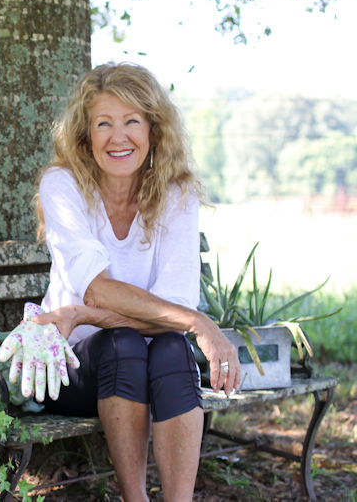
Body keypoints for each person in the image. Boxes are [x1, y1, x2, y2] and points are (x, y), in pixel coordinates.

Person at [30, 62, 242, 501]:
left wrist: (79, 314)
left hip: (151, 364)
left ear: (153, 129)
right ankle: (135, 498)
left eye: (131, 121)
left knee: (170, 347)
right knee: (125, 342)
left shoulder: (177, 193)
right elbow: (97, 287)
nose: (118, 136)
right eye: (103, 124)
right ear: (86, 136)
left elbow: (175, 306)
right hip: (72, 369)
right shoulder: (62, 184)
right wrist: (198, 323)